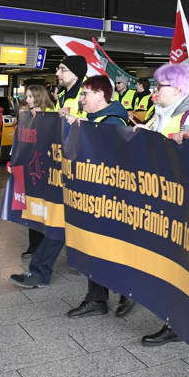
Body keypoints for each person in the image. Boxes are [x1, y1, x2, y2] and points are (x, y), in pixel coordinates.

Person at [139, 62, 189, 348]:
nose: (155, 91)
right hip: (162, 200)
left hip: (184, 204)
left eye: (161, 86)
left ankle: (175, 322)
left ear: (179, 89)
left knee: (179, 265)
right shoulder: (157, 115)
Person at [10, 55, 88, 289]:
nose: (58, 73)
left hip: (79, 170)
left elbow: (91, 129)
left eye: (62, 70)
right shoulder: (65, 95)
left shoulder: (82, 97)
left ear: (75, 73)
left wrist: (71, 120)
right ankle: (47, 269)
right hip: (63, 168)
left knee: (62, 221)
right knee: (63, 221)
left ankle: (41, 271)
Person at [63, 75, 135, 319]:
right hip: (94, 194)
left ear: (101, 95)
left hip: (111, 196)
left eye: (86, 94)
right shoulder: (94, 120)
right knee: (94, 246)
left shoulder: (113, 120)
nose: (81, 99)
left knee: (111, 248)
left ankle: (128, 292)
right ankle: (97, 298)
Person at [20, 85, 55, 258]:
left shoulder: (50, 114)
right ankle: (33, 246)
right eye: (27, 97)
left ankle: (41, 247)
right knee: (31, 208)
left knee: (43, 210)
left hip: (45, 168)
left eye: (31, 97)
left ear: (38, 97)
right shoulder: (27, 115)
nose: (28, 100)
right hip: (30, 167)